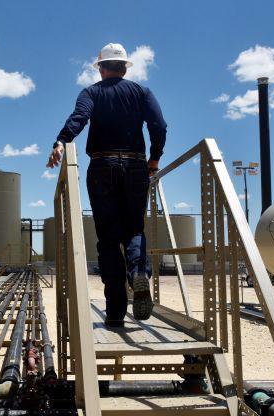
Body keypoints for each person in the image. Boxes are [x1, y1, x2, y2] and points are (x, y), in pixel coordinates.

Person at [46, 43, 167, 326]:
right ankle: (138, 272)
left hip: (102, 166)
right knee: (134, 228)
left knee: (109, 238)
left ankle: (115, 311)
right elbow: (159, 125)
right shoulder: (141, 92)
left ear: (101, 67)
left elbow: (79, 118)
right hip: (136, 165)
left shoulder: (91, 92)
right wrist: (154, 158)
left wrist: (61, 141)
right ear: (124, 67)